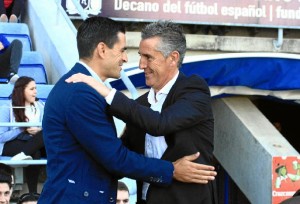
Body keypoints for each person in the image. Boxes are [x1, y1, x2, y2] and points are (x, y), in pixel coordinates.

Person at [38, 16, 216, 203]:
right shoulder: (83, 93)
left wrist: (109, 93)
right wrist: (170, 170)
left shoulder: (194, 90)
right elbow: (117, 156)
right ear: (102, 49)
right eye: (126, 51)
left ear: (173, 58)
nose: (137, 64)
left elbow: (160, 123)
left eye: (148, 57)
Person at [0, 76, 45, 193]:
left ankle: (23, 154)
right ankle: (33, 194)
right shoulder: (7, 108)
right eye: (32, 89)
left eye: (36, 88)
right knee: (35, 152)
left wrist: (38, 130)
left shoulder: (40, 106)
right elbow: (1, 136)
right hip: (10, 143)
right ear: (22, 90)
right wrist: (22, 129)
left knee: (47, 133)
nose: (35, 92)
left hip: (35, 140)